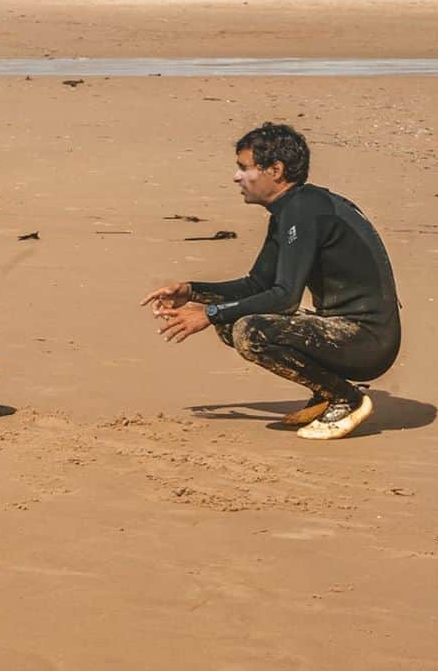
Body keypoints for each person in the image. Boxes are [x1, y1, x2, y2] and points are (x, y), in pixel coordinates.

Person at [140, 122, 400, 440]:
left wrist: (207, 315)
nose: (237, 177)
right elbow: (257, 284)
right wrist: (193, 292)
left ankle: (347, 399)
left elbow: (285, 297)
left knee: (250, 331)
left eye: (244, 168)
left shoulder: (304, 211)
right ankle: (326, 393)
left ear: (275, 170)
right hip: (344, 331)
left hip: (368, 342)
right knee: (231, 317)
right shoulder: (292, 209)